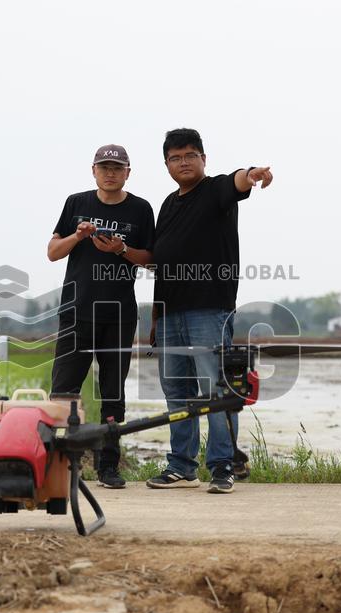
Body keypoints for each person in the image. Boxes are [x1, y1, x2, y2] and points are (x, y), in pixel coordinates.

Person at [145, 128, 273, 494]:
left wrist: (251, 174)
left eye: (190, 155)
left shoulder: (216, 190)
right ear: (167, 164)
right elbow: (161, 262)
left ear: (203, 158)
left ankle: (222, 465)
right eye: (175, 157)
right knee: (177, 393)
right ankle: (182, 467)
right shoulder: (168, 205)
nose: (183, 162)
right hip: (169, 314)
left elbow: (237, 182)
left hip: (209, 312)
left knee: (218, 390)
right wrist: (156, 317)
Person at [47, 144, 155, 489]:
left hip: (119, 315)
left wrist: (120, 249)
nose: (110, 173)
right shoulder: (76, 203)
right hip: (77, 312)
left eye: (117, 167)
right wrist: (77, 237)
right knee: (64, 390)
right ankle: (56, 463)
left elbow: (150, 260)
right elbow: (52, 252)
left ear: (128, 172)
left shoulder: (140, 209)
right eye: (104, 167)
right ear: (93, 170)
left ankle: (108, 466)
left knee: (113, 392)